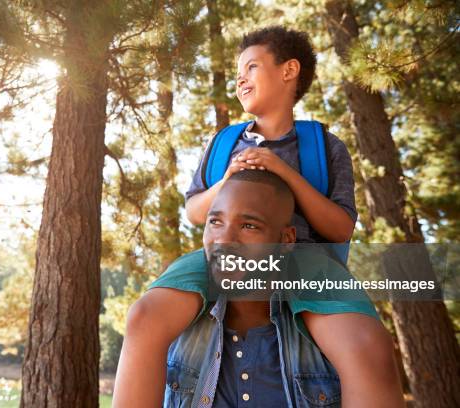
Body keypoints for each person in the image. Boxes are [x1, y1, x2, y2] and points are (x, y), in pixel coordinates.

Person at [113, 26, 402, 407]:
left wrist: (284, 173)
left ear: (289, 70)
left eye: (251, 67)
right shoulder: (222, 144)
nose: (240, 78)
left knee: (366, 346)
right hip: (221, 254)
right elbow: (196, 211)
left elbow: (340, 228)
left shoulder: (324, 146)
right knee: (145, 316)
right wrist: (227, 180)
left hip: (305, 262)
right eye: (237, 72)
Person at [162, 169, 404, 407]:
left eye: (249, 226)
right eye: (215, 221)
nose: (224, 240)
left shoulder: (327, 341)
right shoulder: (176, 330)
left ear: (286, 240)